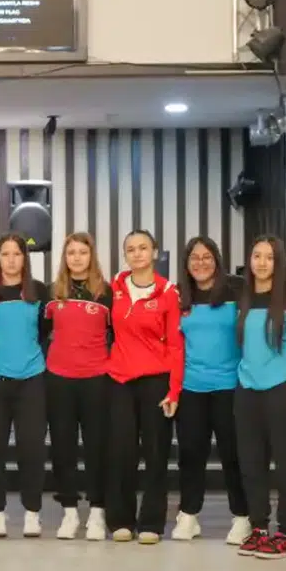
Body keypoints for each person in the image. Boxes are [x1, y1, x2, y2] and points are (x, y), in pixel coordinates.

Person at [105, 230, 183, 545]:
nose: (137, 254)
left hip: (156, 381)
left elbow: (176, 345)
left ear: (154, 252)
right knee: (121, 453)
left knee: (155, 453)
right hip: (120, 381)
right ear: (125, 255)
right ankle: (120, 519)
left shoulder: (169, 293)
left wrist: (174, 390)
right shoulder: (114, 287)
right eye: (131, 249)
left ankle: (151, 522)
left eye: (143, 248)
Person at [174, 236, 249, 545]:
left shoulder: (237, 290)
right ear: (186, 264)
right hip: (192, 387)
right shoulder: (179, 296)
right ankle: (188, 515)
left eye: (207, 257)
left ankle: (242, 517)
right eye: (194, 257)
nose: (201, 263)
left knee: (233, 454)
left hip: (230, 386)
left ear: (217, 260)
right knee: (191, 453)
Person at [234, 235, 286, 559]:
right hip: (247, 387)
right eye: (256, 256)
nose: (261, 263)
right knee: (251, 462)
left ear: (278, 262)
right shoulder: (243, 295)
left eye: (269, 257)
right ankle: (258, 526)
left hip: (283, 386)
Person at [0, 234, 48, 538]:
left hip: (32, 379)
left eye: (16, 254)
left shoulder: (39, 291)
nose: (10, 260)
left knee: (31, 449)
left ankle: (32, 512)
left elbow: (45, 331)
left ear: (24, 258)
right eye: (5, 254)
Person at [44, 233, 112, 541]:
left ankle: (97, 510)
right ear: (65, 257)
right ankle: (69, 511)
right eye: (71, 252)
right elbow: (42, 332)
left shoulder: (106, 294)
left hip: (96, 378)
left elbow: (116, 334)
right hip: (59, 379)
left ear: (91, 256)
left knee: (97, 446)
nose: (76, 257)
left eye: (82, 252)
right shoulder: (53, 293)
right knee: (63, 446)